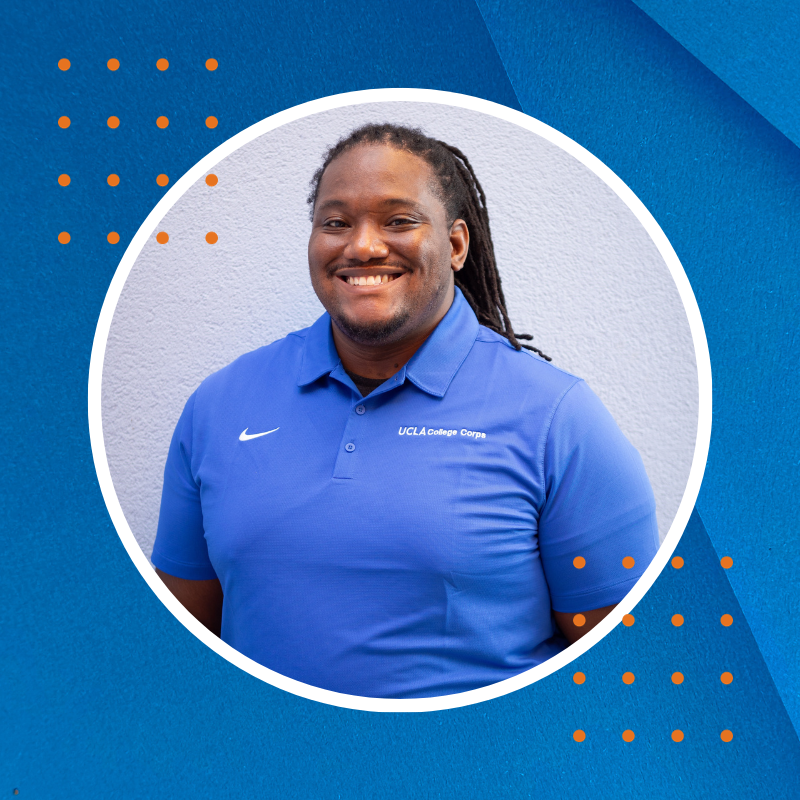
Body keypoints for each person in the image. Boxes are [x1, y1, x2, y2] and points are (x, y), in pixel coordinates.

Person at [152, 123, 659, 699]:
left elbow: (627, 675)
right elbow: (182, 642)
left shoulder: (556, 419)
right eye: (335, 222)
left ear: (456, 245)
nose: (363, 246)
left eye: (398, 220)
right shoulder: (220, 405)